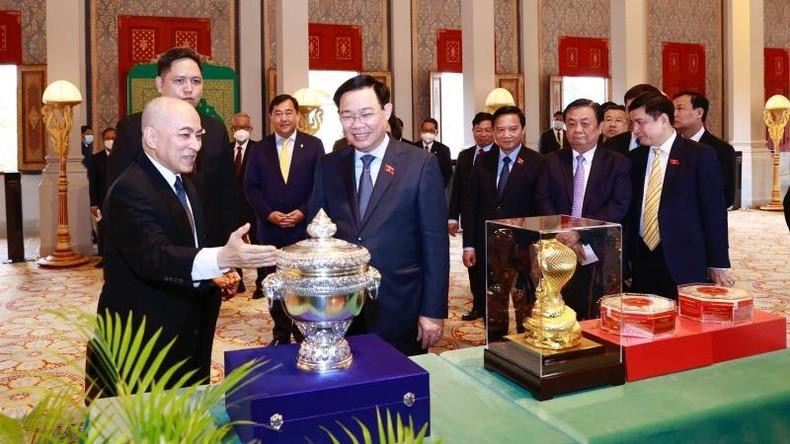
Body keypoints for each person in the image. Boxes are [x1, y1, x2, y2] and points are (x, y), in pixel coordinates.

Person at [87, 97, 277, 399]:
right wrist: (221, 257)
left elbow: (185, 246)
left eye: (198, 135)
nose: (196, 145)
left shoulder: (185, 181)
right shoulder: (129, 189)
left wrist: (213, 274)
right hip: (143, 345)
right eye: (184, 135)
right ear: (151, 137)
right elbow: (156, 256)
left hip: (187, 333)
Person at [309, 75, 448, 355]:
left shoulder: (420, 164)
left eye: (366, 114)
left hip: (399, 304)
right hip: (340, 308)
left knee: (397, 390)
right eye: (347, 116)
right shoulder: (328, 165)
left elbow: (434, 243)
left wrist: (433, 310)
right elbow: (316, 238)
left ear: (386, 111)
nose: (357, 125)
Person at [108, 47, 238, 249]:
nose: (189, 89)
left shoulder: (214, 129)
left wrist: (229, 253)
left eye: (196, 81)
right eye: (179, 81)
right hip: (158, 244)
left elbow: (226, 194)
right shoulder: (134, 129)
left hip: (210, 243)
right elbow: (118, 197)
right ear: (160, 84)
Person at [626, 92, 733, 299]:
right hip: (642, 258)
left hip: (684, 258)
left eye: (640, 122)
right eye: (633, 123)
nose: (635, 130)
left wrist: (718, 262)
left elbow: (714, 212)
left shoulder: (700, 155)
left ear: (664, 120)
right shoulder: (634, 158)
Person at [535, 99, 631, 318]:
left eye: (585, 123)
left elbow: (618, 205)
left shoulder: (618, 163)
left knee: (596, 308)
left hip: (600, 247)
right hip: (558, 246)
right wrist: (563, 232)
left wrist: (579, 232)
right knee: (560, 305)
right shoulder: (550, 161)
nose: (577, 129)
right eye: (571, 123)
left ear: (599, 128)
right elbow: (543, 199)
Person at [244, 94, 325, 346]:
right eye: (278, 113)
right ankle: (280, 332)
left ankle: (303, 331)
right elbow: (250, 187)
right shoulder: (259, 149)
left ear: (297, 115)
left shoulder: (314, 145)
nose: (284, 118)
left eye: (288, 112)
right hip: (271, 231)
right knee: (275, 284)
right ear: (270, 117)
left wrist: (303, 211)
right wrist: (269, 213)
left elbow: (320, 185)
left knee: (302, 285)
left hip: (303, 230)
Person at [461, 106, 543, 333]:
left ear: (523, 130)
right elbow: (471, 205)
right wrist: (469, 244)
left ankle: (527, 348)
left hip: (523, 247)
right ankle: (496, 348)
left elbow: (541, 207)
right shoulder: (482, 161)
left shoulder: (537, 162)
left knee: (525, 304)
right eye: (501, 129)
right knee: (493, 304)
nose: (506, 134)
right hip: (488, 245)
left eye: (513, 129)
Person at [447, 112, 495, 321]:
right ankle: (478, 305)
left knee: (492, 268)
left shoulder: (498, 156)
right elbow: (456, 189)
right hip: (470, 219)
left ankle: (492, 309)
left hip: (492, 219)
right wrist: (452, 217)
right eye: (479, 130)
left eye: (487, 130)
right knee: (472, 264)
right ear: (473, 131)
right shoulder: (466, 156)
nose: (483, 134)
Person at [672, 91, 736, 208]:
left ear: (699, 112)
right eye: (672, 109)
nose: (674, 114)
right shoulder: (670, 146)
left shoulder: (721, 149)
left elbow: (727, 196)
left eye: (680, 108)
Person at [229, 112, 260, 294]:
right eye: (238, 127)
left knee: (257, 244)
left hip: (253, 206)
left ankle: (261, 283)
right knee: (234, 245)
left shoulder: (259, 149)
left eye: (245, 127)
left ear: (251, 129)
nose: (241, 130)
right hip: (232, 208)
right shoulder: (225, 149)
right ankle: (238, 280)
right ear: (232, 129)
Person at [602, 84, 662, 156]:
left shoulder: (663, 146)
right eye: (630, 108)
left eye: (639, 109)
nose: (634, 115)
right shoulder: (609, 146)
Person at [88, 127, 116, 268]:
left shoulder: (123, 157)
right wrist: (93, 203)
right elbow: (93, 183)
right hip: (102, 202)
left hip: (119, 201)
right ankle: (105, 258)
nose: (110, 141)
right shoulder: (96, 159)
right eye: (108, 138)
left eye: (113, 138)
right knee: (103, 230)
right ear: (103, 140)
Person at [414, 117, 453, 187]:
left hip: (436, 190)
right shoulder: (413, 148)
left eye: (431, 131)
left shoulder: (444, 150)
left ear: (436, 132)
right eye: (425, 130)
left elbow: (447, 173)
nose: (428, 133)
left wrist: (439, 188)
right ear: (421, 131)